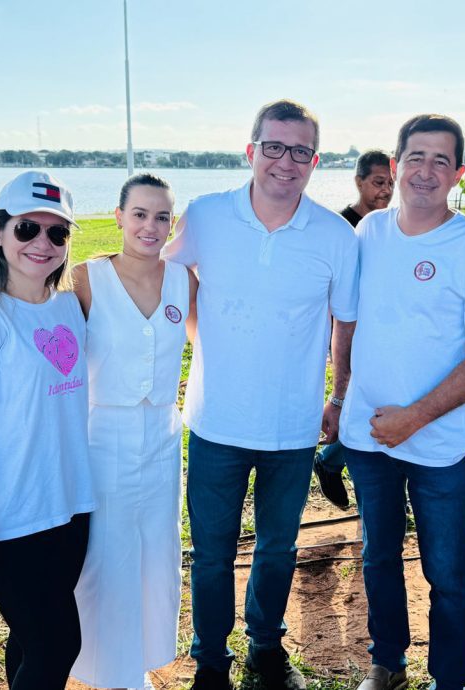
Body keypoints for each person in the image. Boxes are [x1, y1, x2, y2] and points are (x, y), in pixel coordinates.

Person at [164, 99, 359, 690]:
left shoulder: (333, 234)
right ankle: (210, 662)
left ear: (315, 160)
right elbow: (165, 273)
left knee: (278, 548)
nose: (286, 161)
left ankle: (266, 650)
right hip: (215, 420)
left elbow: (342, 324)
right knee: (214, 552)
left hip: (293, 427)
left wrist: (339, 398)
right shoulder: (205, 216)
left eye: (300, 150)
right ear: (251, 151)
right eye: (274, 146)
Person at [339, 114, 465, 690]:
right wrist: (339, 397)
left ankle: (449, 679)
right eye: (416, 157)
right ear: (394, 166)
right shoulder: (367, 234)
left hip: (437, 445)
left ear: (459, 174)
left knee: (448, 572)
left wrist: (414, 418)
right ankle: (387, 661)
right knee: (378, 557)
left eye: (442, 160)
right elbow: (350, 324)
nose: (427, 170)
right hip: (367, 437)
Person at [0, 171, 95, 690]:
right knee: (58, 644)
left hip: (69, 505)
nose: (42, 244)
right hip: (11, 518)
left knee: (28, 640)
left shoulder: (69, 306)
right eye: (27, 228)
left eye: (57, 233)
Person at [70, 174, 197, 690]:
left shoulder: (182, 280)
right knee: (106, 555)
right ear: (118, 216)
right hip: (104, 435)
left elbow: (210, 342)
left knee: (155, 553)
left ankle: (138, 664)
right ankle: (106, 672)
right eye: (140, 214)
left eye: (162, 216)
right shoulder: (85, 278)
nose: (151, 226)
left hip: (164, 437)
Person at [315, 149, 394, 510]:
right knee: (356, 410)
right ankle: (337, 468)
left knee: (379, 409)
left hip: (383, 334)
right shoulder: (340, 226)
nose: (386, 190)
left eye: (391, 183)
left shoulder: (392, 227)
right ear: (358, 181)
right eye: (378, 182)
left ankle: (335, 464)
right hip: (347, 334)